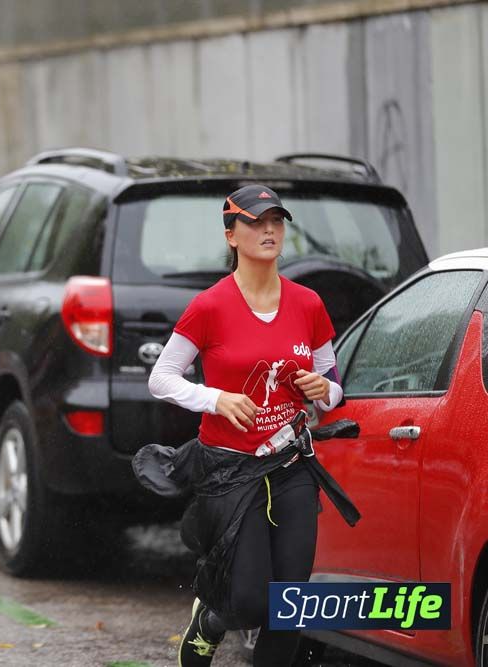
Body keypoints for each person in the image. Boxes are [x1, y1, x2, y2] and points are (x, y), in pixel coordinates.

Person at [146, 185, 347, 666]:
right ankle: (211, 620)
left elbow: (334, 385)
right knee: (252, 601)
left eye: (276, 221)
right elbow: (162, 379)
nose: (269, 230)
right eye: (256, 222)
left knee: (291, 607)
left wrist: (325, 391)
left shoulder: (308, 304)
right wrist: (215, 398)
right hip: (230, 471)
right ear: (231, 234)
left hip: (293, 465)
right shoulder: (210, 306)